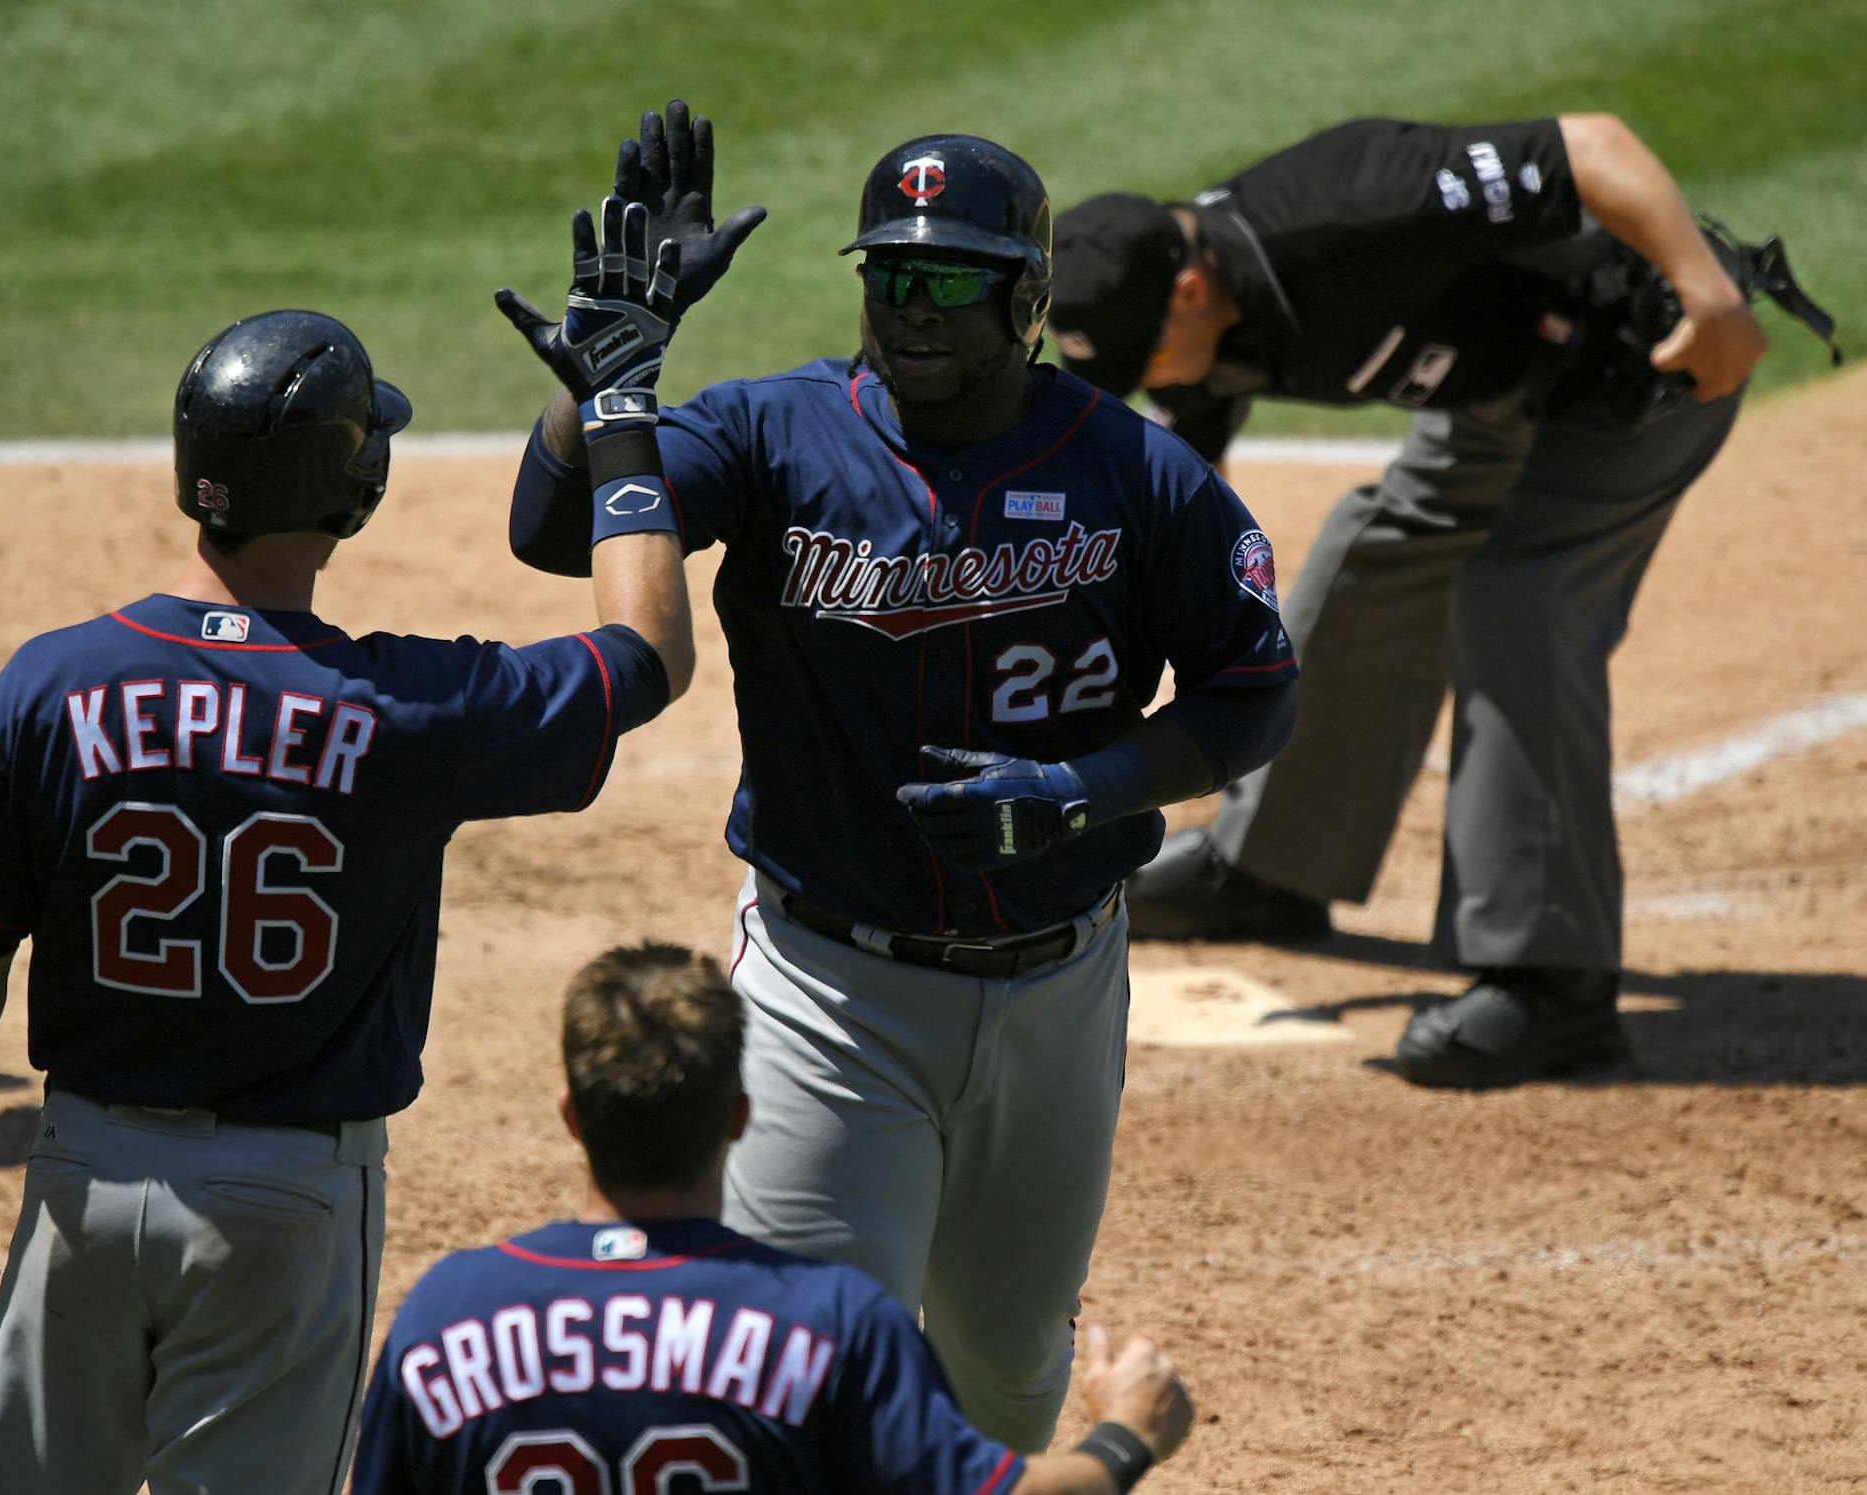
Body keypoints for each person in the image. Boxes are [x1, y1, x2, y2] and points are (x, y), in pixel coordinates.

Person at [501, 102, 1297, 1450]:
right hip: (831, 990)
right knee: (806, 1369)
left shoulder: (1134, 473)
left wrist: (1081, 789)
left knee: (1002, 1375)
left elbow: (1253, 690)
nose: (912, 305)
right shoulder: (775, 433)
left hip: (1058, 986)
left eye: (949, 278)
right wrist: (597, 390)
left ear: (1029, 298)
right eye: (889, 276)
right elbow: (554, 524)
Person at [0, 298, 699, 1493]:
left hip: (80, 1184)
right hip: (285, 1210)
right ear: (352, 488)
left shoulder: (46, 687)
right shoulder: (413, 712)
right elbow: (651, 651)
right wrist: (616, 409)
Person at [1045, 114, 1839, 1089]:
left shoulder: (1346, 205)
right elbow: (1178, 502)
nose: (1144, 382)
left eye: (1142, 358)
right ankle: (1272, 869)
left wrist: (1710, 296)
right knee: (1376, 545)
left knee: (1520, 601)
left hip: (1652, 357)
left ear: (1192, 288)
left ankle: (1554, 988)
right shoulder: (1196, 324)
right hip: (1506, 376)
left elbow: (1589, 147)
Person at [352, 942, 1196, 1493]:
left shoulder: (447, 1314)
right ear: (738, 1118)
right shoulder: (829, 1324)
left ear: (572, 1114)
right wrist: (1128, 1432)